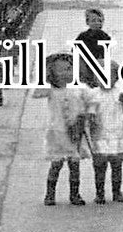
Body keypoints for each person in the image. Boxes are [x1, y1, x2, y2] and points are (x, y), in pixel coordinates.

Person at [36, 53, 89, 206]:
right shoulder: (51, 90)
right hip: (57, 133)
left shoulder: (79, 88)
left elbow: (91, 98)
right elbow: (36, 92)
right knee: (56, 164)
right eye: (61, 70)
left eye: (69, 69)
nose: (67, 73)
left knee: (74, 165)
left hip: (75, 132)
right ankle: (50, 194)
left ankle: (75, 194)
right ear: (52, 73)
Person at [85, 61, 123, 204]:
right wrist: (91, 120)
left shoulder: (121, 93)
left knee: (117, 165)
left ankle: (116, 192)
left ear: (116, 77)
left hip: (118, 133)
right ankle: (100, 193)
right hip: (100, 135)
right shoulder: (93, 94)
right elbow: (90, 112)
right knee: (99, 166)